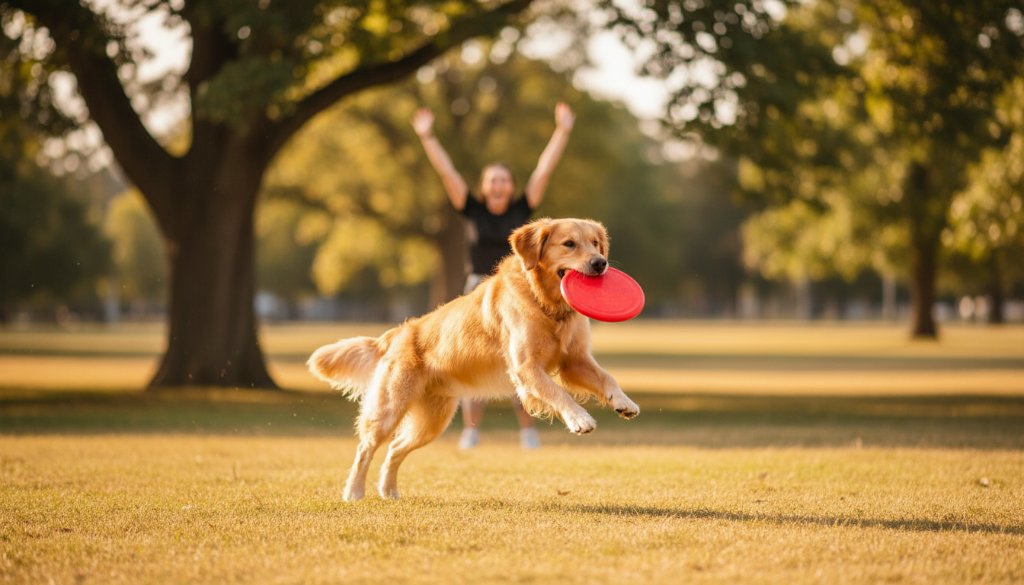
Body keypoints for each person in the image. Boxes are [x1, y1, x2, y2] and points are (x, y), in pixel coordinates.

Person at [412, 102, 576, 450]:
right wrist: (427, 136)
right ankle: (471, 430)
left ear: (511, 186)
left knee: (524, 360)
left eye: (504, 180)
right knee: (478, 362)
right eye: (493, 181)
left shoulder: (521, 209)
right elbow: (448, 173)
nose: (499, 185)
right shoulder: (472, 209)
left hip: (519, 295)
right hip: (478, 295)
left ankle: (527, 431)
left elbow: (543, 171)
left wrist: (562, 131)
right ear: (485, 187)